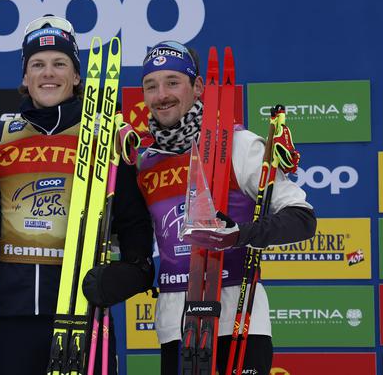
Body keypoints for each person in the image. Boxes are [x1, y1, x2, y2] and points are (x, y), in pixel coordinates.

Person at [0, 15, 155, 375]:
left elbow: (133, 218)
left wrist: (135, 270)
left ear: (75, 76)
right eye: (37, 65)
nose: (48, 73)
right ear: (25, 78)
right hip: (15, 312)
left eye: (60, 63)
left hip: (84, 305)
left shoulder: (106, 136)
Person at [135, 41, 317, 374]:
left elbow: (302, 218)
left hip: (238, 323)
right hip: (175, 325)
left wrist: (239, 235)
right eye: (151, 85)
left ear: (198, 87)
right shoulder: (145, 163)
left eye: (173, 82)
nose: (161, 94)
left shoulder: (235, 144)